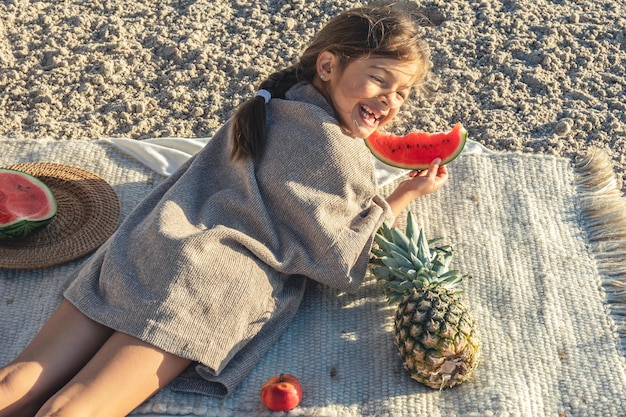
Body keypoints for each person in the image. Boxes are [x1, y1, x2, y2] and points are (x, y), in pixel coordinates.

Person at [0, 3, 448, 416]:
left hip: (152, 243)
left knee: (18, 380)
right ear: (328, 65)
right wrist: (400, 198)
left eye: (403, 92)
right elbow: (338, 255)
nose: (390, 101)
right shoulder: (334, 150)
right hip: (207, 285)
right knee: (76, 406)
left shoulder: (267, 103)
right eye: (379, 80)